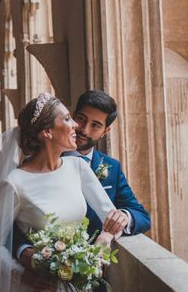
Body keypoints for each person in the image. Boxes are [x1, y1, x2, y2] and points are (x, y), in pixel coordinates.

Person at [0, 92, 127, 292]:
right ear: (47, 132)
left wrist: (105, 237)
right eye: (67, 119)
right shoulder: (14, 182)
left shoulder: (78, 167)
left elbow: (112, 218)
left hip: (80, 285)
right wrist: (21, 274)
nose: (76, 125)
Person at [13, 90, 151, 268]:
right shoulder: (26, 172)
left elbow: (141, 215)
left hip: (93, 270)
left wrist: (118, 221)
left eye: (95, 125)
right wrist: (26, 254)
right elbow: (10, 227)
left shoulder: (111, 168)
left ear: (105, 131)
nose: (83, 129)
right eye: (80, 118)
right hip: (45, 269)